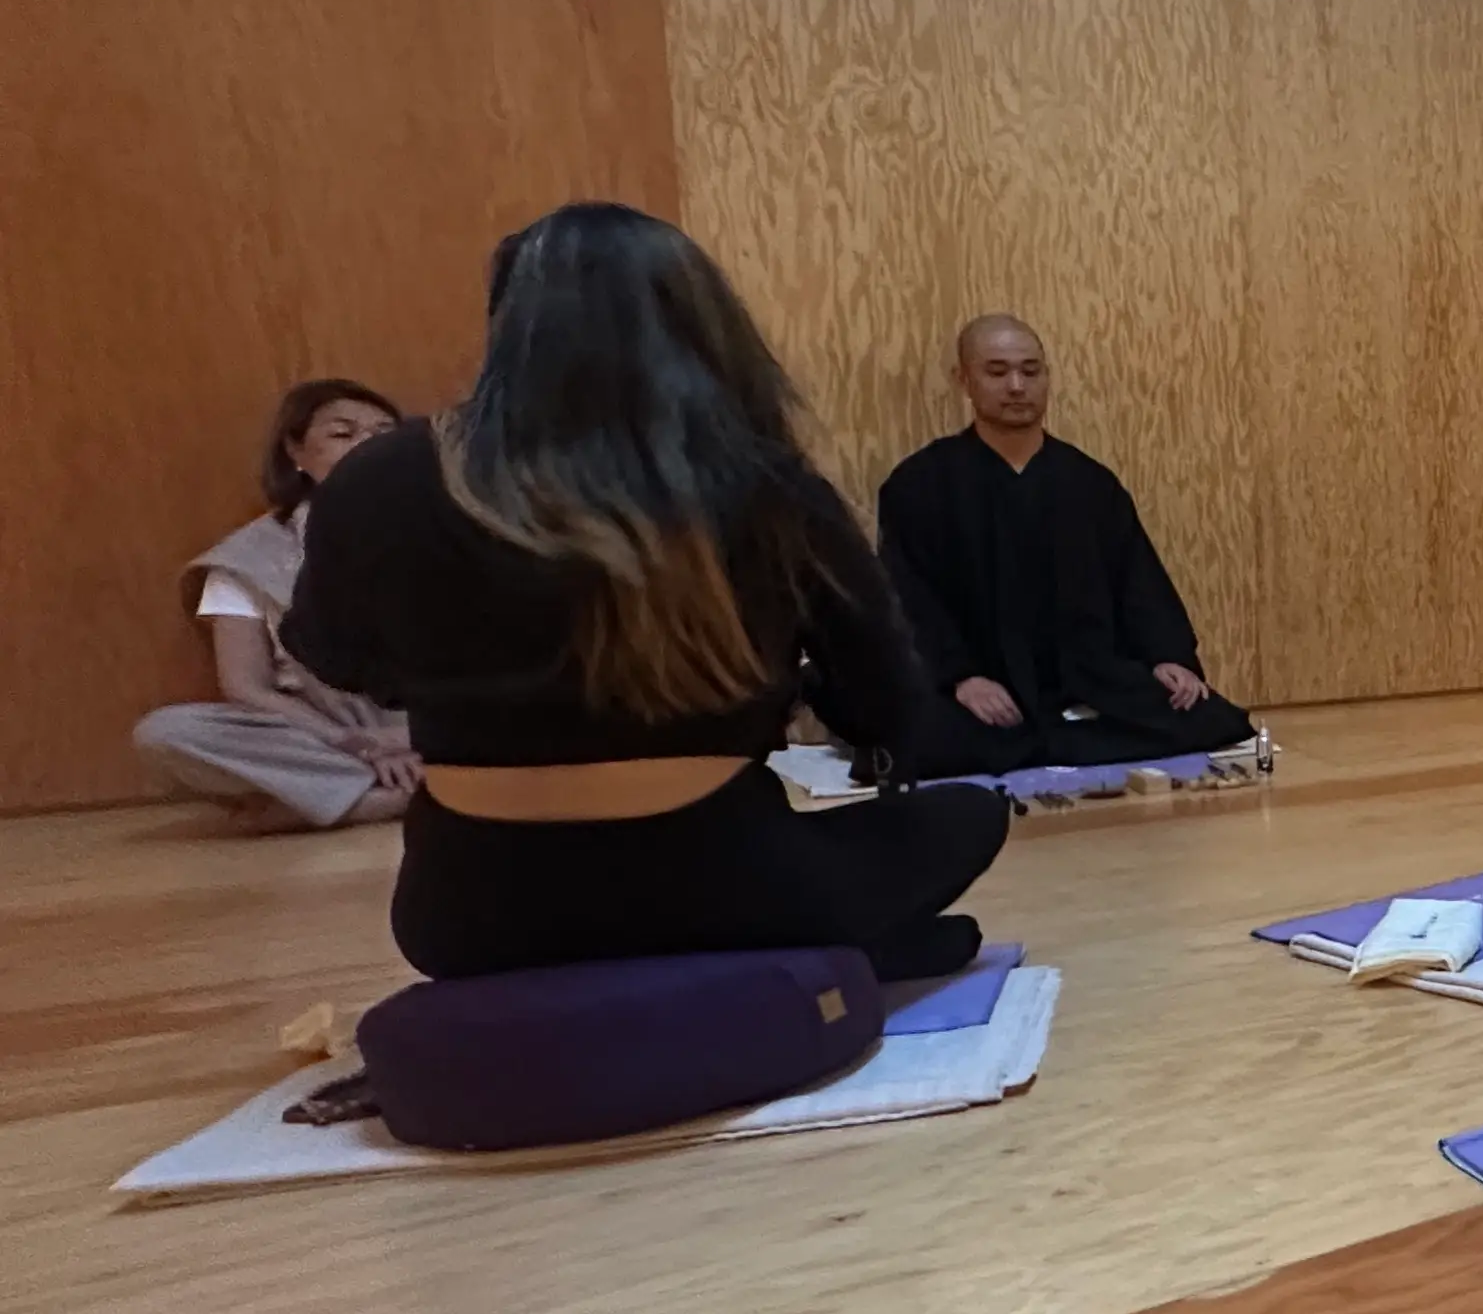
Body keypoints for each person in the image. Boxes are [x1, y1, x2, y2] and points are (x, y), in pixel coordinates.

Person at [286, 204, 1007, 982]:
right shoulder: (763, 482)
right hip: (730, 891)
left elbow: (337, 656)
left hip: (465, 917)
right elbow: (883, 706)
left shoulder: (378, 475)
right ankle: (803, 963)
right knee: (969, 814)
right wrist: (780, 686)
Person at [875, 314, 1261, 777]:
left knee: (1210, 716)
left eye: (1031, 371)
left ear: (1047, 376)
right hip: (984, 685)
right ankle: (1060, 739)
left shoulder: (1089, 483)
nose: (1016, 386)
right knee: (908, 740)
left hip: (1087, 678)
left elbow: (1136, 581)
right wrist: (960, 677)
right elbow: (908, 598)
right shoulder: (920, 484)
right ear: (964, 380)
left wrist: (1167, 657)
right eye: (997, 372)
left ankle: (1044, 740)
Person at [135, 379, 418, 828]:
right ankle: (391, 797)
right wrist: (355, 742)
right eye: (343, 433)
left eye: (384, 434)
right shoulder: (247, 557)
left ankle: (328, 803)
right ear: (296, 453)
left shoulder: (445, 532)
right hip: (333, 737)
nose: (367, 445)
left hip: (434, 726)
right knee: (166, 732)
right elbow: (246, 687)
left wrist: (412, 736)